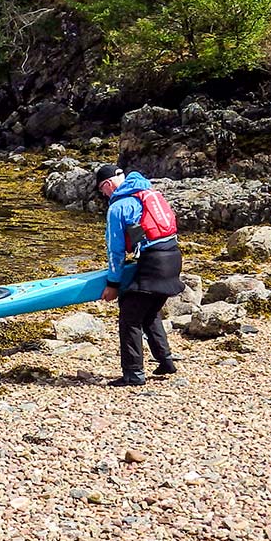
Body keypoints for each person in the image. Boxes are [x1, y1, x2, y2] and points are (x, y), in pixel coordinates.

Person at [96, 165, 184, 387]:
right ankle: (166, 361)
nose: (104, 195)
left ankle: (133, 374)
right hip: (173, 258)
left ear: (107, 185)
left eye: (101, 190)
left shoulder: (119, 206)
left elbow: (115, 250)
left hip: (154, 263)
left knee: (129, 316)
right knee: (149, 309)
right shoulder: (149, 194)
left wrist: (112, 284)